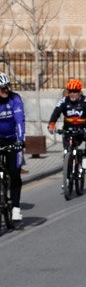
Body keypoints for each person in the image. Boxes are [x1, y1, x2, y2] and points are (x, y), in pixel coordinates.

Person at [48, 78, 86, 168]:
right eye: (70, 91)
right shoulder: (63, 101)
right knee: (67, 152)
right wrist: (52, 123)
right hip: (68, 130)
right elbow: (56, 112)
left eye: (75, 92)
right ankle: (68, 175)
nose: (72, 94)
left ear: (79, 92)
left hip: (82, 130)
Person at [0, 73, 26, 222]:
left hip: (13, 138)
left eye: (7, 87)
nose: (5, 90)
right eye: (2, 88)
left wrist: (20, 140)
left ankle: (15, 207)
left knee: (15, 174)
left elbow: (19, 120)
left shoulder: (15, 99)